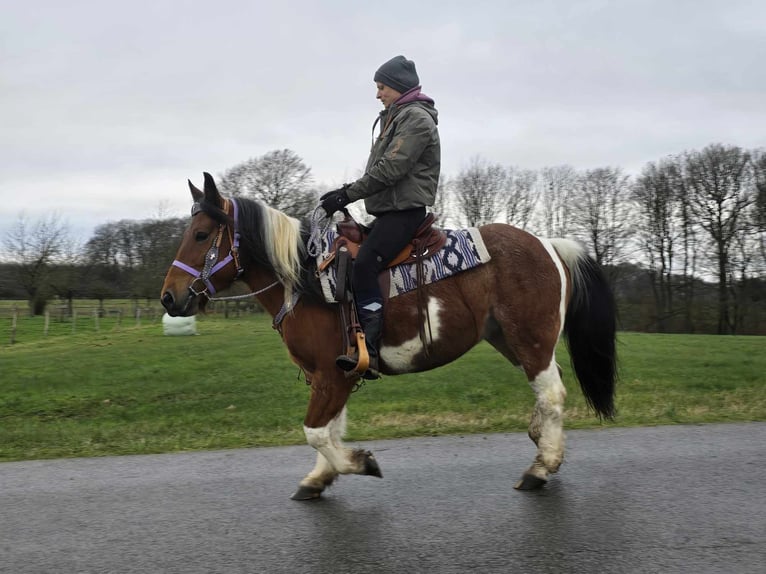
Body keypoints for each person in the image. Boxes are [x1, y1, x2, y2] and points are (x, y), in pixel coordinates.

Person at [320, 55, 441, 379]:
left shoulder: (415, 119)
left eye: (381, 87)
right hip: (389, 212)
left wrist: (347, 193)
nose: (378, 94)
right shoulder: (395, 118)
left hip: (405, 213)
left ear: (398, 87)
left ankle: (369, 349)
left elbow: (391, 168)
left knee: (366, 264)